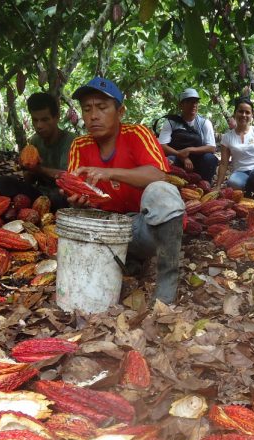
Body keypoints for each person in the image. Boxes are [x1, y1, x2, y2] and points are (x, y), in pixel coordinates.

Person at [66, 77, 185, 304]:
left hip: (143, 225)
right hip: (105, 228)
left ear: (120, 112)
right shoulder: (79, 145)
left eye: (102, 107)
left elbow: (159, 175)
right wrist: (75, 200)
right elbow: (75, 189)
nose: (93, 115)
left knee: (162, 191)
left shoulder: (137, 134)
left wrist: (110, 172)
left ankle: (166, 287)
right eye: (87, 109)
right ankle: (129, 261)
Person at [0, 93, 74, 210]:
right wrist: (26, 167)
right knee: (2, 182)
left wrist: (39, 169)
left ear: (57, 117)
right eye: (35, 120)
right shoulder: (35, 140)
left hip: (61, 194)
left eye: (45, 120)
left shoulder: (71, 141)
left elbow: (68, 178)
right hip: (40, 193)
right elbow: (29, 180)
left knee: (60, 199)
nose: (39, 125)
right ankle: (22, 206)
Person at [213, 97, 254, 201]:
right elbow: (224, 163)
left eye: (247, 112)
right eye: (240, 111)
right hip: (240, 172)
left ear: (252, 115)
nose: (244, 115)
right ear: (235, 113)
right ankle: (247, 192)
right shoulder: (227, 137)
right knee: (233, 183)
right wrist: (218, 185)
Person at [157, 88, 219, 183]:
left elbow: (211, 148)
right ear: (181, 105)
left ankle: (204, 184)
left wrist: (189, 150)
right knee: (168, 160)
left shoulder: (204, 123)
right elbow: (162, 146)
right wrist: (181, 155)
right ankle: (175, 184)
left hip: (198, 161)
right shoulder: (171, 122)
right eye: (189, 102)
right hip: (177, 159)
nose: (193, 105)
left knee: (210, 159)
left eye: (196, 102)